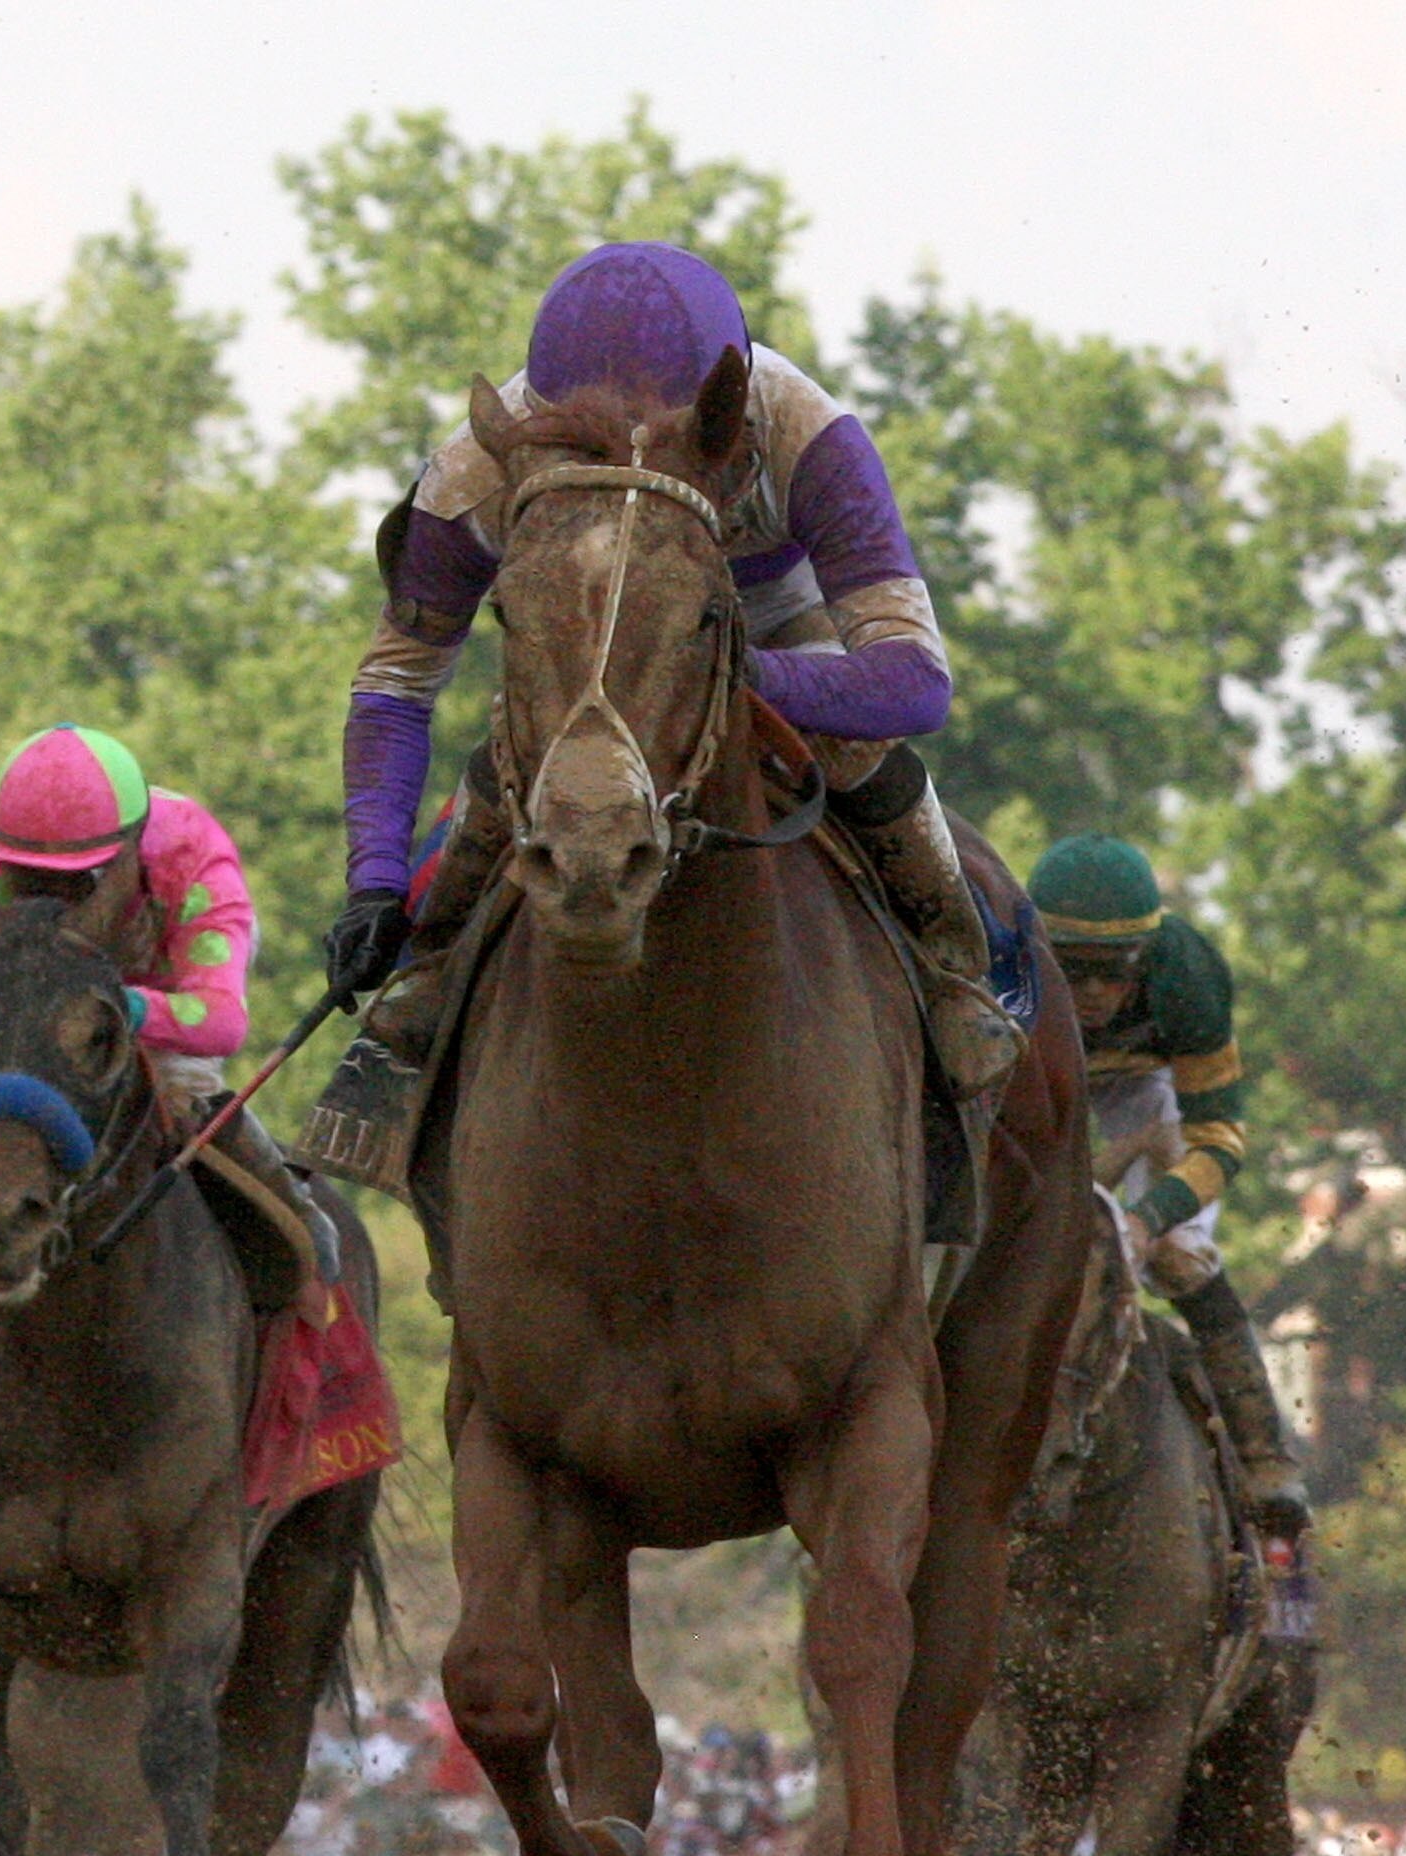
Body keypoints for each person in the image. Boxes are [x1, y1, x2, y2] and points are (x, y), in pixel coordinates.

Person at [305, 240, 1017, 1188]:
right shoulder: (472, 474)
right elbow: (395, 687)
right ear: (539, 421)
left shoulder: (806, 432)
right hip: (586, 627)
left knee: (856, 745)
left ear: (724, 414)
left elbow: (914, 682)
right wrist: (376, 883)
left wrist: (724, 670)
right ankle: (426, 979)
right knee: (515, 748)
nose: (632, 444)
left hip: (772, 620)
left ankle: (948, 964)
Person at [0, 724, 336, 1283]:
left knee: (185, 1094)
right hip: (21, 1016)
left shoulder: (191, 854)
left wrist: (112, 1010)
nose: (49, 897)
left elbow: (221, 1021)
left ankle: (304, 1231)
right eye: (28, 878)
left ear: (128, 854)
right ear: (1, 855)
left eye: (75, 880)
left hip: (154, 1006)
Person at [1025, 833, 1311, 1541]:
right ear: (1040, 948)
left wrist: (1148, 1217)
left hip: (1149, 1090)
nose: (1092, 992)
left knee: (1181, 1255)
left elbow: (1220, 1140)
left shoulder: (1188, 971)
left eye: (1114, 970)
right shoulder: (1001, 958)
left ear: (1146, 955)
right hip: (1036, 1078)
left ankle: (1261, 1452)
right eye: (1075, 969)